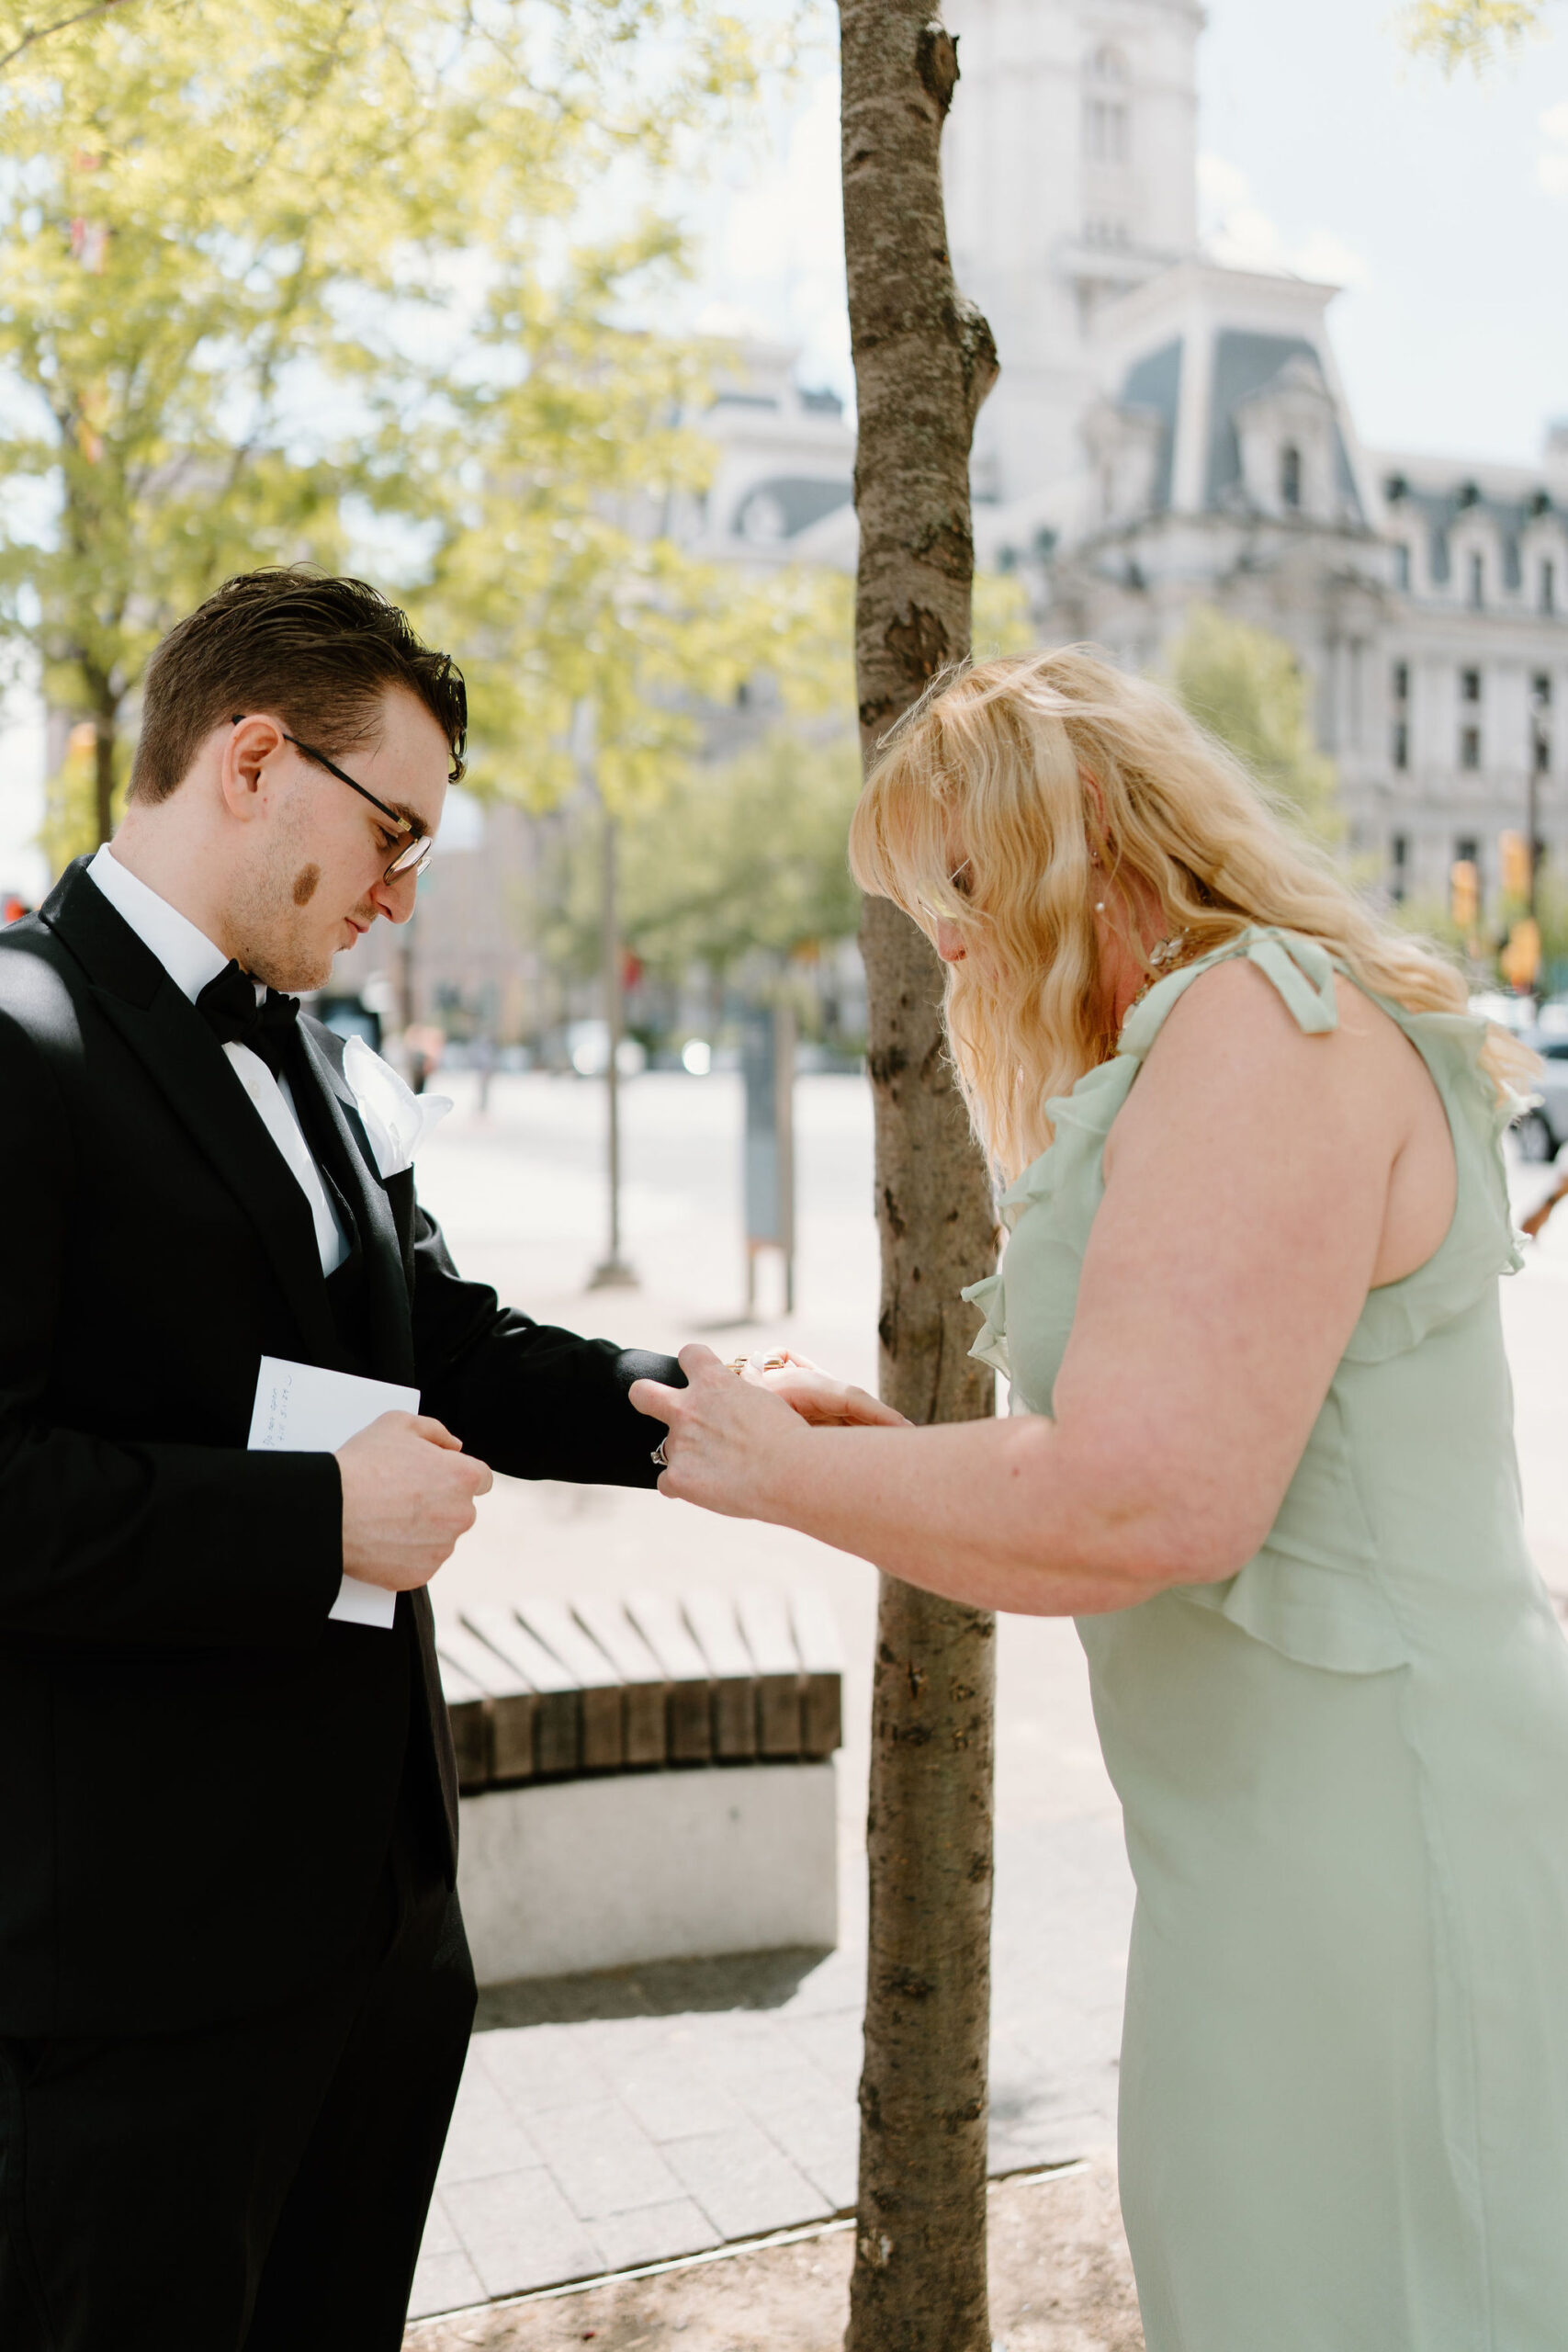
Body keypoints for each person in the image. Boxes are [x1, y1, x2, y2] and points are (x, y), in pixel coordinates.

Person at [631, 649, 1568, 2352]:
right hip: (1286, 1828)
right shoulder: (1228, 1030)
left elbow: (1144, 1505)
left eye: (959, 886)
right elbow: (1146, 1453)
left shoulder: (1259, 1026)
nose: (948, 945)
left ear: (1077, 853)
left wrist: (796, 1477)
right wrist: (869, 1459)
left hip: (1372, 1846)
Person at [0, 569, 685, 2352]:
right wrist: (317, 1513)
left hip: (374, 1948)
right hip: (131, 2000)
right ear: (248, 755)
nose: (400, 891)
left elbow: (438, 1337)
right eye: (394, 831)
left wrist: (690, 1404)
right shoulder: (17, 1039)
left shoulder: (305, 1046)